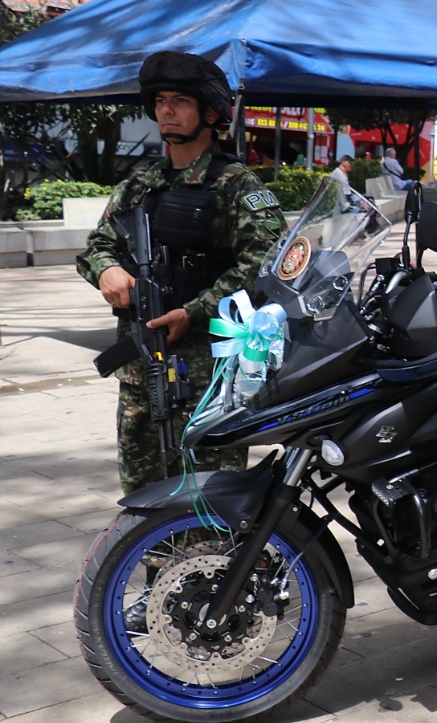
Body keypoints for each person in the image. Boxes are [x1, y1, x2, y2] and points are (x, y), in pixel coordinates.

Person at [78, 51, 287, 494]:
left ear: (210, 113)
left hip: (207, 378)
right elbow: (97, 245)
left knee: (209, 500)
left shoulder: (236, 185)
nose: (166, 111)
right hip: (141, 373)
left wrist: (192, 312)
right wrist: (107, 270)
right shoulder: (139, 184)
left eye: (180, 101)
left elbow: (267, 264)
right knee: (142, 497)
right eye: (160, 101)